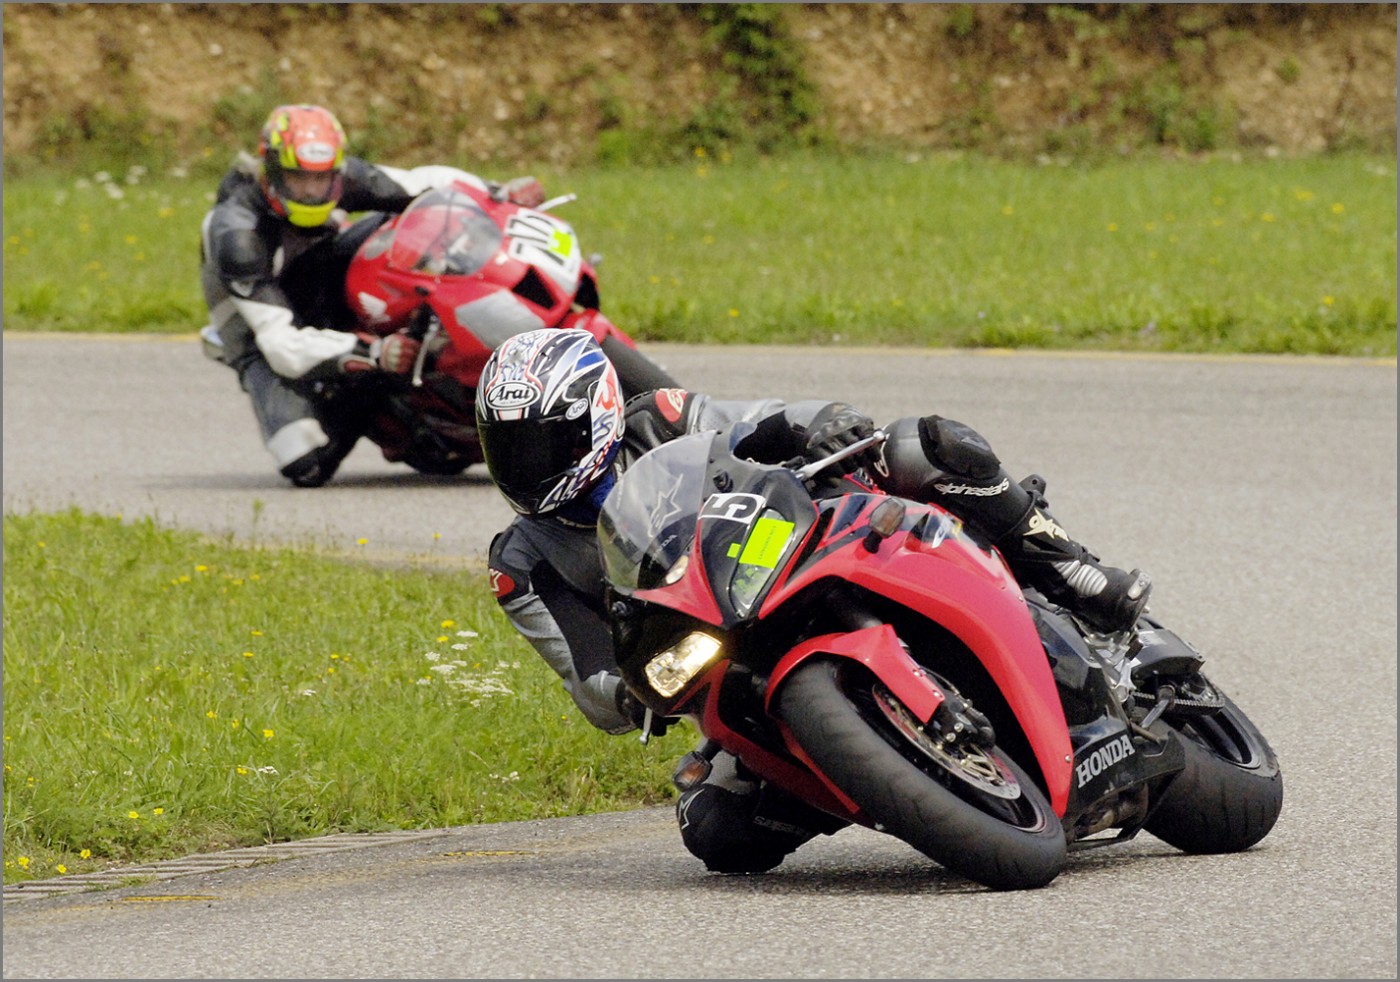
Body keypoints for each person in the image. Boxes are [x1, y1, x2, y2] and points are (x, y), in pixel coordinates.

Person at [476, 328, 1152, 874]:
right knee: (712, 830)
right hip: (728, 658)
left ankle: (1072, 574)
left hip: (793, 547)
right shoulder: (519, 563)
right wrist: (628, 690)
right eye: (506, 446)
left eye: (540, 443)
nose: (525, 464)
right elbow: (585, 676)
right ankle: (872, 774)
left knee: (924, 444)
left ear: (595, 417)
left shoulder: (659, 419)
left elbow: (755, 423)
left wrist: (820, 422)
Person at [199, 103, 547, 487]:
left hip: (322, 272)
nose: (314, 192)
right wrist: (374, 354)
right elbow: (282, 345)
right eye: (299, 179)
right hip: (261, 328)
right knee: (305, 461)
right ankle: (378, 399)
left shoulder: (341, 178)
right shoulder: (238, 235)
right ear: (272, 171)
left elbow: (423, 183)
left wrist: (496, 193)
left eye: (323, 178)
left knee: (408, 230)